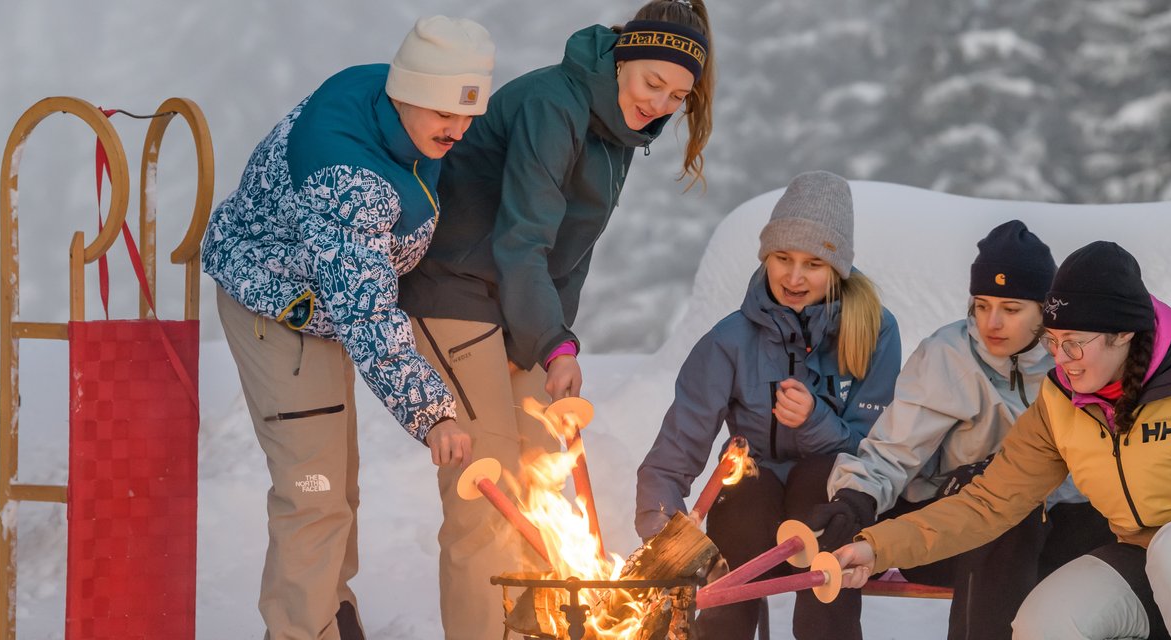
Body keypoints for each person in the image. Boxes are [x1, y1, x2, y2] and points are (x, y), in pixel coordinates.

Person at [834, 241, 1171, 640]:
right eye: (1055, 343)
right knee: (1045, 621)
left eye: (1076, 343)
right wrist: (875, 547)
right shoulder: (1061, 402)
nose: (1062, 360)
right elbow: (989, 503)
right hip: (1153, 557)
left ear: (1124, 333)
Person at [393, 2, 714, 635]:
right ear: (624, 54)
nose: (661, 103)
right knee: (487, 503)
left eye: (678, 96)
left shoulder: (618, 134)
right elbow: (523, 240)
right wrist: (554, 344)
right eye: (653, 82)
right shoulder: (553, 104)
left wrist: (549, 342)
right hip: (453, 291)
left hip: (516, 304)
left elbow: (571, 255)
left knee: (541, 476)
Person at [202, 16, 494, 638]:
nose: (458, 130)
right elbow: (364, 308)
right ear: (408, 91)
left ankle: (331, 610)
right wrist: (431, 413)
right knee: (312, 488)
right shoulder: (347, 179)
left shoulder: (382, 98)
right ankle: (300, 628)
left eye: (469, 114)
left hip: (320, 311)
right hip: (279, 313)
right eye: (446, 113)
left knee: (336, 481)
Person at [803, 220, 1113, 640]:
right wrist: (856, 498)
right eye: (982, 305)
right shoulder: (947, 356)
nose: (992, 322)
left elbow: (1089, 469)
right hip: (939, 532)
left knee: (1093, 524)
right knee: (1002, 497)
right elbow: (894, 449)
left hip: (1040, 531)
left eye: (1011, 308)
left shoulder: (1071, 364)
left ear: (1045, 310)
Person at [635, 171, 901, 639]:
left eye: (813, 263)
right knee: (743, 493)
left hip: (830, 500)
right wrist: (661, 534)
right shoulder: (731, 340)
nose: (793, 277)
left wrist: (817, 421)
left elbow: (876, 453)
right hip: (755, 502)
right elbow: (677, 450)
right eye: (782, 258)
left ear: (836, 268)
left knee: (823, 486)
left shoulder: (874, 332)